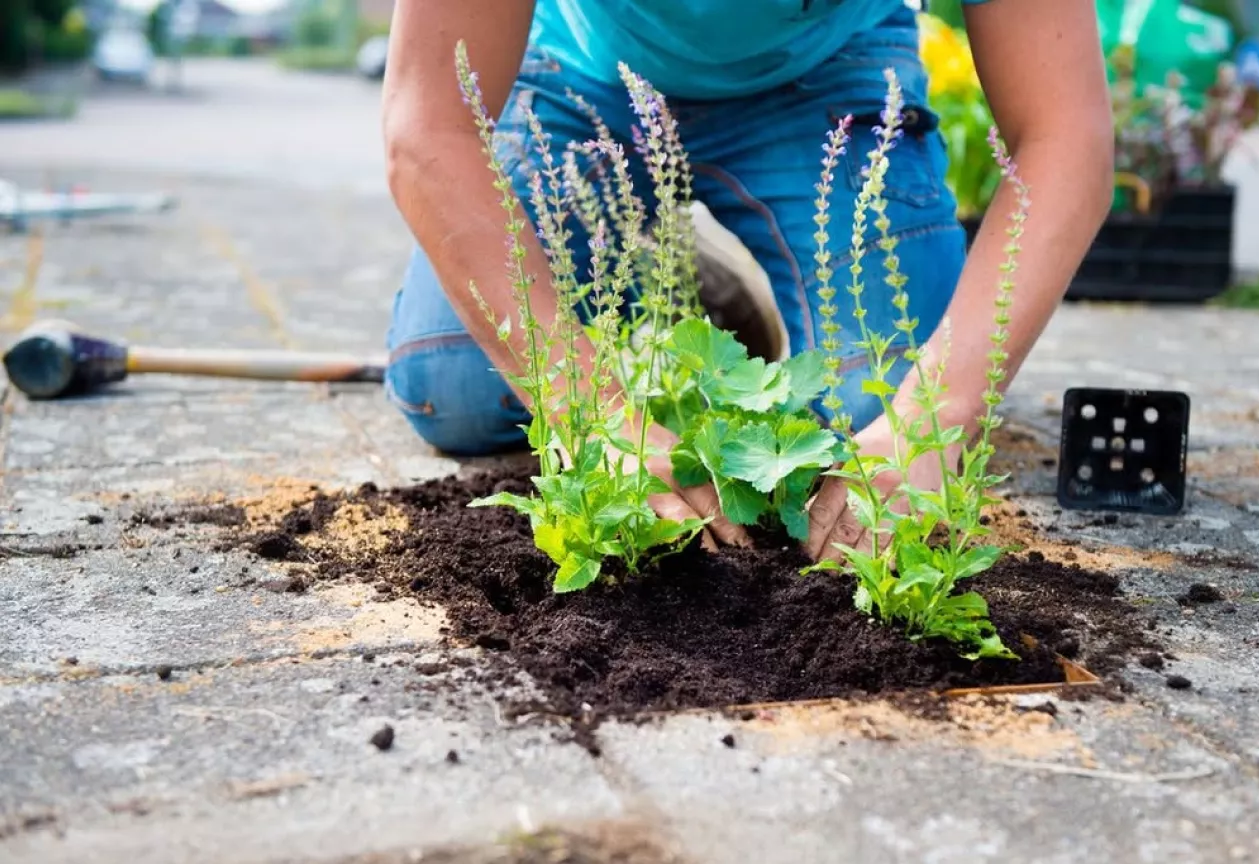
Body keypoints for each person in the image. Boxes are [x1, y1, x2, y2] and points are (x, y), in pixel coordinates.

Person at [380, 0, 1114, 560]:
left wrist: (939, 409)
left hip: (821, 72)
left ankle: (725, 299)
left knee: (875, 405)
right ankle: (667, 282)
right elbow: (427, 128)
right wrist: (590, 406)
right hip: (585, 67)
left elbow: (1065, 134)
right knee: (461, 386)